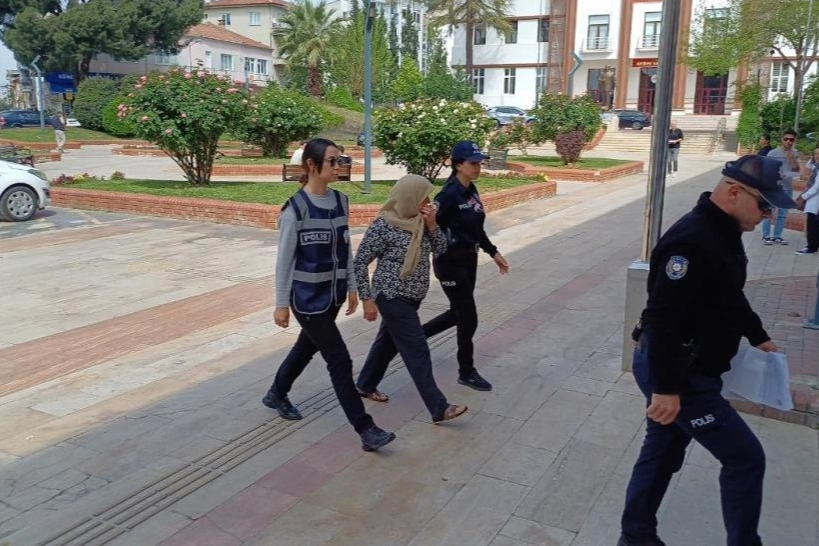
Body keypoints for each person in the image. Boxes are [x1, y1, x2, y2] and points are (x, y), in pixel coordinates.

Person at [618, 154, 797, 546]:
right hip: (681, 374)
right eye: (764, 205)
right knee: (745, 458)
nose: (768, 216)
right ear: (734, 193)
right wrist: (667, 388)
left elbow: (728, 294)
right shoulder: (693, 240)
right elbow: (662, 317)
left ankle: (635, 536)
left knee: (662, 452)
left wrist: (757, 335)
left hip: (688, 367)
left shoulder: (722, 231)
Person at [262, 138, 396, 453]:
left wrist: (352, 287)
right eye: (333, 161)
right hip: (306, 300)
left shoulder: (340, 201)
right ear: (312, 165)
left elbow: (345, 249)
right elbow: (284, 262)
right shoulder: (295, 209)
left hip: (332, 295)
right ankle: (365, 429)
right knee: (339, 359)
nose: (339, 166)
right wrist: (281, 304)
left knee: (306, 347)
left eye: (341, 161)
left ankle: (276, 393)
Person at [354, 174, 468, 422]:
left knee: (387, 343)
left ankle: (365, 384)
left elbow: (441, 249)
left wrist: (432, 225)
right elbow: (359, 262)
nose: (428, 202)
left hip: (412, 297)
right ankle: (439, 407)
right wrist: (366, 299)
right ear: (409, 197)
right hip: (390, 295)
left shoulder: (421, 222)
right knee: (417, 350)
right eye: (424, 198)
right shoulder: (383, 225)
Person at [762, 129, 801, 245]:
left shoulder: (795, 153)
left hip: (787, 187)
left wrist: (791, 158)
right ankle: (766, 235)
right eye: (786, 139)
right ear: (781, 139)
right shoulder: (773, 153)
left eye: (791, 140)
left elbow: (796, 170)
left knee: (783, 214)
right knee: (770, 211)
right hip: (774, 187)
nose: (788, 142)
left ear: (794, 141)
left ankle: (777, 236)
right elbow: (766, 169)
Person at [796, 146, 819, 255]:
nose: (817, 156)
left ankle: (811, 247)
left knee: (813, 225)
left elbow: (816, 187)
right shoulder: (816, 167)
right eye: (816, 154)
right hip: (814, 201)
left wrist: (803, 197)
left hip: (815, 201)